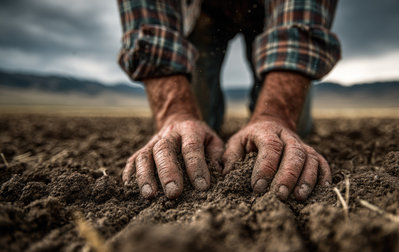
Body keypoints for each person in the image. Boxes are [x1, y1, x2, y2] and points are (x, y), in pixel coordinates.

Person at [117, 0, 341, 201]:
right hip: (201, 9)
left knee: (292, 127)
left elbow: (304, 10)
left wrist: (276, 115)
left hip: (272, 12)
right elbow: (148, 11)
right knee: (189, 136)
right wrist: (176, 114)